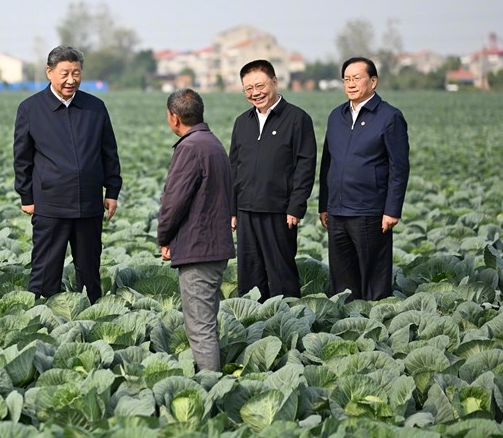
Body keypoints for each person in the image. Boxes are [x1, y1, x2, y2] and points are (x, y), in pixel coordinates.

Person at [13, 45, 122, 303]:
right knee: (45, 271)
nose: (71, 80)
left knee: (89, 270)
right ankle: (42, 316)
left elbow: (109, 152)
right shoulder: (31, 108)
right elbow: (22, 158)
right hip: (50, 204)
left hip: (88, 204)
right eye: (64, 73)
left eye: (76, 73)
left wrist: (112, 191)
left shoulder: (95, 107)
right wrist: (26, 197)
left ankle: (92, 312)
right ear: (49, 72)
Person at [319, 57, 410, 301]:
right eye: (346, 79)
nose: (350, 84)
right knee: (341, 278)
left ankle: (377, 320)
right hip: (337, 211)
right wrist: (324, 205)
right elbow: (327, 162)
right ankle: (345, 321)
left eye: (356, 78)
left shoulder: (389, 117)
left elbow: (399, 167)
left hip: (370, 210)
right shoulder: (336, 116)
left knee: (373, 277)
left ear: (373, 81)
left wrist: (392, 210)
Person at [158, 88, 235, 372]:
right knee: (207, 323)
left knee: (200, 328)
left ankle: (210, 390)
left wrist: (164, 238)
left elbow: (173, 201)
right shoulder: (213, 143)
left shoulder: (190, 148)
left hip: (197, 249)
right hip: (215, 247)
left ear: (174, 118)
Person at [229, 60, 316, 300]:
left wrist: (296, 206)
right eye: (248, 88)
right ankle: (252, 325)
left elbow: (305, 166)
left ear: (275, 82)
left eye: (260, 85)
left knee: (281, 274)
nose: (255, 93)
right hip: (246, 210)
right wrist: (232, 209)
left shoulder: (297, 119)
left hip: (279, 211)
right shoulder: (242, 122)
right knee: (249, 274)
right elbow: (233, 167)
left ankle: (287, 322)